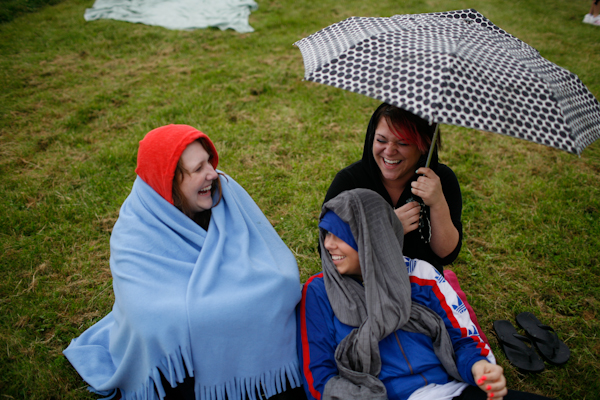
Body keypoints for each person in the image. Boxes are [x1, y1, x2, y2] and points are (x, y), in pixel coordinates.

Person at [64, 124, 306, 400]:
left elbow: (279, 271)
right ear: (168, 181)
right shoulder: (136, 227)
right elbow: (149, 315)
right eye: (198, 169)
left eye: (210, 162)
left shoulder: (224, 193)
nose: (213, 174)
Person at [298, 189, 556, 400]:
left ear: (371, 239)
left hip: (454, 391)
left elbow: (464, 339)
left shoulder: (420, 275)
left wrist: (479, 368)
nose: (328, 245)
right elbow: (319, 378)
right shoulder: (320, 291)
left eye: (339, 236)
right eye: (326, 234)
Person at [323, 103, 461, 273]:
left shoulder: (441, 180)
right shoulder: (349, 182)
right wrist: (386, 228)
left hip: (420, 286)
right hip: (363, 283)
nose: (389, 151)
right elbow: (328, 254)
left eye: (403, 143)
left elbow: (446, 254)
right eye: (381, 140)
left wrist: (438, 203)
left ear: (423, 146)